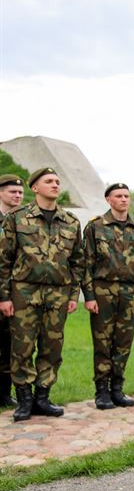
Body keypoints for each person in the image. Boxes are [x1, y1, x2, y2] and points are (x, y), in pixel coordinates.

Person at [0, 168, 83, 421]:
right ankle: (24, 399)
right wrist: (4, 297)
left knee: (52, 348)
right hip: (24, 292)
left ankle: (43, 397)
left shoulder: (71, 221)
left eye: (57, 181)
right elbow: (4, 259)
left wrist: (72, 295)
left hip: (58, 294)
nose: (55, 185)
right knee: (22, 348)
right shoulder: (16, 217)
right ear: (35, 188)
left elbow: (78, 262)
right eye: (49, 181)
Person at [82, 183, 134, 410]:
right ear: (108, 199)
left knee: (123, 343)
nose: (124, 199)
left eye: (127, 196)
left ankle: (117, 389)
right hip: (103, 291)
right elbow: (87, 264)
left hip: (130, 293)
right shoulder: (96, 227)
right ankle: (101, 391)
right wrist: (89, 296)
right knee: (103, 342)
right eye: (118, 196)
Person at [0, 174, 25, 407]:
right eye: (12, 192)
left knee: (10, 345)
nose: (17, 196)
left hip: (15, 293)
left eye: (20, 193)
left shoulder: (23, 221)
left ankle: (5, 393)